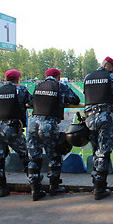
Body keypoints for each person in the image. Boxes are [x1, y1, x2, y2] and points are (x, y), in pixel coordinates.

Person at [27, 68, 80, 201]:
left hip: (33, 123)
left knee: (34, 157)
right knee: (54, 155)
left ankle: (35, 190)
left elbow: (31, 102)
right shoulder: (59, 86)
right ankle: (54, 186)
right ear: (57, 77)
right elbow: (75, 99)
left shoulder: (38, 86)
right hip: (48, 123)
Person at [84, 57, 113, 200]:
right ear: (110, 67)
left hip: (89, 118)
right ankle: (99, 189)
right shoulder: (112, 77)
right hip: (105, 117)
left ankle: (96, 182)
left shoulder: (88, 77)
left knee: (95, 151)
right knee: (103, 152)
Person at [0, 69, 32, 197]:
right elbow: (32, 101)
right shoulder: (20, 90)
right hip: (10, 127)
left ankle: (2, 188)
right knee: (27, 154)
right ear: (18, 79)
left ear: (5, 79)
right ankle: (35, 184)